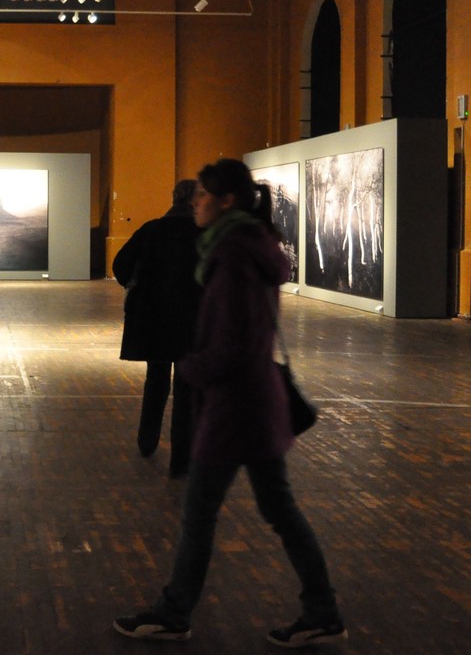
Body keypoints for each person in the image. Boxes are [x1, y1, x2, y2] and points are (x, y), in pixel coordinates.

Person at [113, 158, 346, 648]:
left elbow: (234, 340)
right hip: (254, 402)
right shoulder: (247, 247)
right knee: (278, 511)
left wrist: (196, 368)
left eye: (203, 195)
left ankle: (175, 612)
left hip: (236, 406)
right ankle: (322, 610)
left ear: (227, 201)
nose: (195, 203)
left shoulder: (233, 255)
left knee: (201, 514)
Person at [112, 180, 201, 477]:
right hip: (192, 324)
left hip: (155, 321)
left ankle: (147, 441)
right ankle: (181, 461)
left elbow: (120, 265)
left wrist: (139, 290)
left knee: (156, 381)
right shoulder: (207, 235)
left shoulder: (151, 230)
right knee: (187, 393)